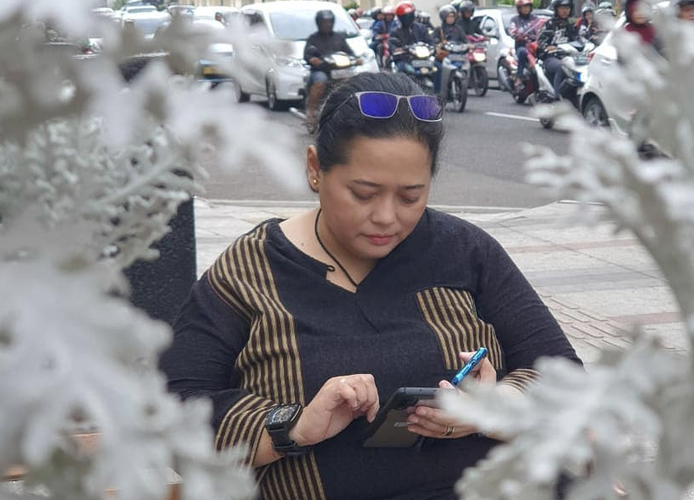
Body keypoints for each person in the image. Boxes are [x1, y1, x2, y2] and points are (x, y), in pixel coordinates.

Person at [161, 71, 582, 500]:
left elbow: (563, 376)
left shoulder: (465, 251)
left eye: (410, 197)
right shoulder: (250, 271)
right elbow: (176, 411)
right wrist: (292, 426)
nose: (386, 217)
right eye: (363, 194)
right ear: (314, 169)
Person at [303, 10, 357, 126]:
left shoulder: (339, 37)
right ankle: (311, 111)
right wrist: (312, 59)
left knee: (354, 82)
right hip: (321, 69)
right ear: (319, 23)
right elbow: (307, 54)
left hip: (339, 69)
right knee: (320, 81)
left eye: (329, 22)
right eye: (324, 22)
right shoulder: (313, 38)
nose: (327, 24)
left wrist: (356, 59)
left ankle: (354, 106)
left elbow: (350, 52)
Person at [537, 0, 580, 98]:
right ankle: (557, 97)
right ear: (556, 9)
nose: (565, 11)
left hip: (571, 56)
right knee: (562, 67)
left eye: (567, 8)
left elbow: (580, 39)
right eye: (562, 8)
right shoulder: (550, 23)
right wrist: (548, 46)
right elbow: (541, 41)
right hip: (552, 57)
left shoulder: (572, 24)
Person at [434, 5, 468, 93]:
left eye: (452, 16)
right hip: (444, 57)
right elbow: (433, 41)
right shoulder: (439, 29)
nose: (451, 19)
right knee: (438, 68)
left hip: (457, 56)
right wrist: (440, 44)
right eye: (448, 16)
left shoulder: (458, 29)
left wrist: (469, 45)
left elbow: (465, 40)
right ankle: (438, 91)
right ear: (444, 17)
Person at [509, 0, 540, 89]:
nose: (526, 9)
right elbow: (512, 31)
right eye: (523, 7)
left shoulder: (535, 18)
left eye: (527, 7)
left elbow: (540, 28)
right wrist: (518, 35)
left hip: (535, 45)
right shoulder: (515, 20)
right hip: (522, 46)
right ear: (519, 8)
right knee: (522, 52)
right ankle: (519, 77)